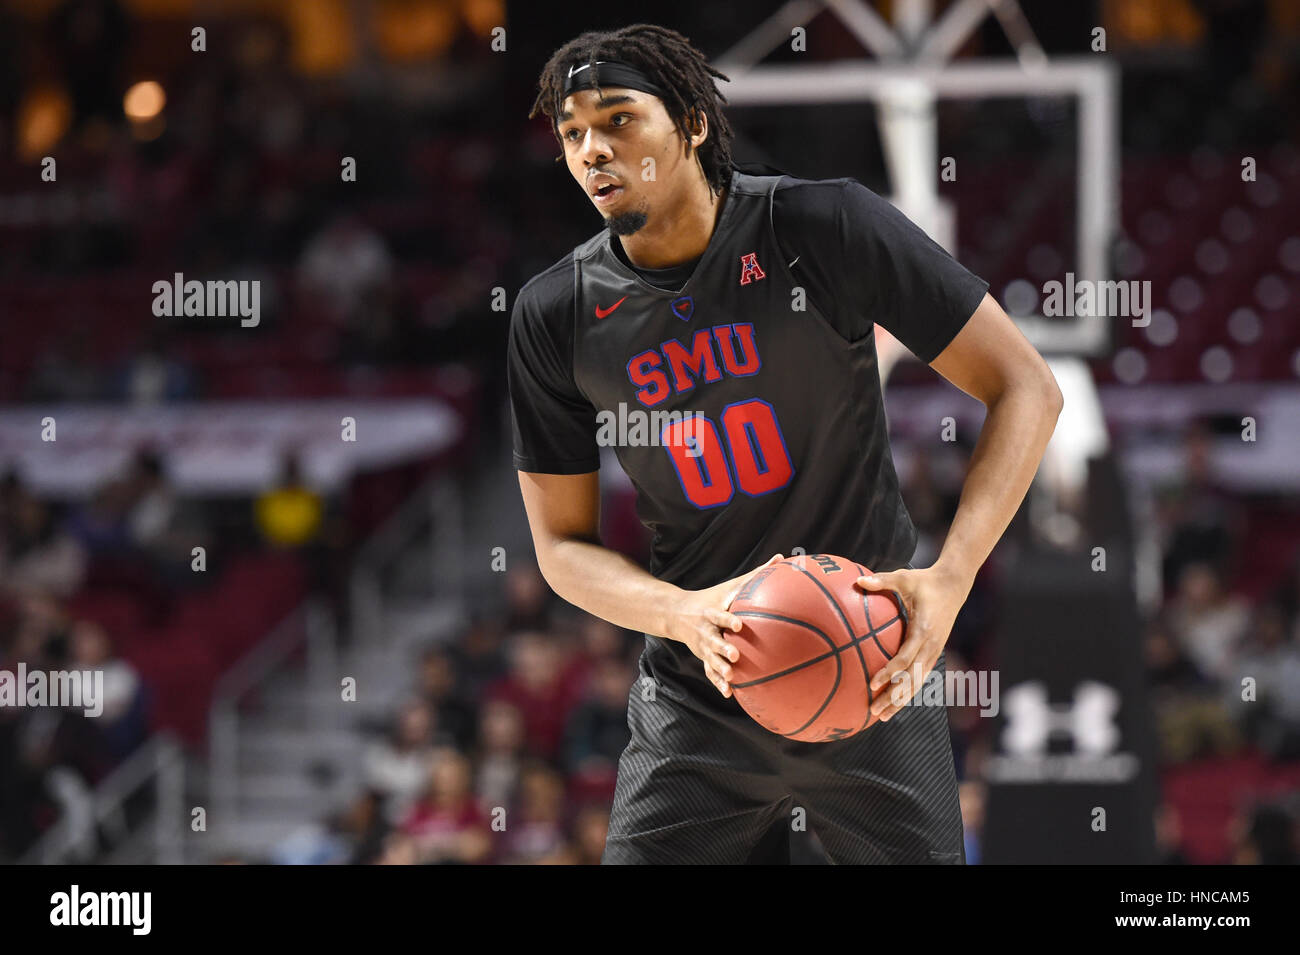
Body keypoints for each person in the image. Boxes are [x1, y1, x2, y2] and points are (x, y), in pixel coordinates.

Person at [507, 24, 1062, 864]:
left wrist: (951, 578)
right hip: (700, 696)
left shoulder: (822, 224)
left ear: (693, 122)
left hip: (875, 673)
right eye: (574, 133)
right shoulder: (556, 314)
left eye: (619, 119)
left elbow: (1028, 387)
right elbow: (559, 547)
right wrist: (683, 613)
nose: (593, 150)